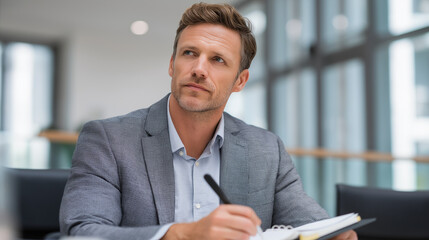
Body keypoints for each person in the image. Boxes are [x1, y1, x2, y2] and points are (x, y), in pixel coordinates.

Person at [60, 3, 357, 240]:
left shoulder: (266, 150)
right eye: (190, 53)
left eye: (217, 60)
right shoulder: (108, 140)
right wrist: (181, 234)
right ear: (172, 64)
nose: (199, 69)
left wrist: (331, 234)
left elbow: (308, 222)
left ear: (240, 81)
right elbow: (82, 231)